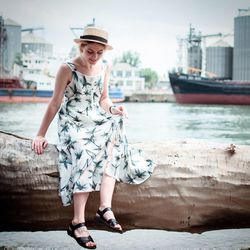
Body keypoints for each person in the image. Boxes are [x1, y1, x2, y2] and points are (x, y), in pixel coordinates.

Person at [32, 25, 155, 249]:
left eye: (99, 52)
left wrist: (114, 110)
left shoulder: (104, 66)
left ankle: (104, 208)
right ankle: (77, 222)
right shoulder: (67, 68)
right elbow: (55, 103)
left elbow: (104, 99)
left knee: (114, 142)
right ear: (81, 47)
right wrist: (40, 133)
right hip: (72, 121)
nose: (94, 57)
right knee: (85, 152)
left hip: (95, 117)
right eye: (90, 51)